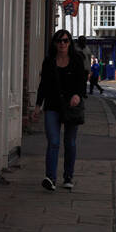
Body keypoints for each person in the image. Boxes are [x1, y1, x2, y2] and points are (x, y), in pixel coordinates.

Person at [33, 29, 88, 192]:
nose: (62, 44)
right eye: (59, 41)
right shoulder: (49, 61)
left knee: (69, 142)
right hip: (52, 106)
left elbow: (81, 81)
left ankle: (68, 177)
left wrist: (78, 95)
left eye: (65, 41)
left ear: (70, 43)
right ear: (55, 44)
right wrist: (38, 105)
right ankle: (50, 178)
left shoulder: (77, 59)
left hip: (71, 107)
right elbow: (43, 85)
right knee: (54, 142)